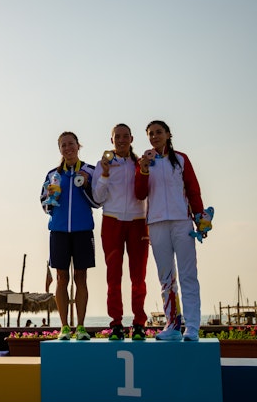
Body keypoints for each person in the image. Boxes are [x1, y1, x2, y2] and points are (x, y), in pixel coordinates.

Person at [135, 120, 205, 341]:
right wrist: (143, 170)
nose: (155, 136)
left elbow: (193, 190)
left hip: (182, 222)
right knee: (166, 278)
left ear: (167, 134)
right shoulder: (144, 161)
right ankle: (172, 325)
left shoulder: (182, 159)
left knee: (188, 275)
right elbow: (139, 193)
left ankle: (192, 327)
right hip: (157, 224)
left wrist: (200, 217)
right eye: (151, 134)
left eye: (159, 132)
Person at [92, 123, 149, 341]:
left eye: (126, 136)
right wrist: (105, 174)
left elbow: (147, 192)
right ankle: (116, 323)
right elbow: (97, 198)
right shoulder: (102, 164)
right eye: (118, 137)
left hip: (138, 222)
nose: (122, 140)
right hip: (112, 221)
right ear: (112, 140)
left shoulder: (140, 163)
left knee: (138, 277)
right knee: (113, 277)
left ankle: (139, 323)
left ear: (132, 139)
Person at [41, 131, 99, 340]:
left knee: (81, 277)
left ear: (78, 145)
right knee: (61, 278)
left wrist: (86, 185)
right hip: (59, 231)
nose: (68, 148)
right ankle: (64, 327)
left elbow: (98, 201)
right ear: (60, 149)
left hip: (83, 231)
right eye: (63, 145)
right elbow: (44, 204)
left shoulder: (90, 171)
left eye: (71, 144)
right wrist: (51, 198)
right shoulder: (52, 175)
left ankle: (81, 327)